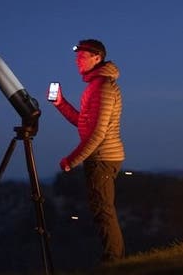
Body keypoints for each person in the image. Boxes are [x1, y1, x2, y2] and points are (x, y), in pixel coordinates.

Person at [50, 39, 126, 263]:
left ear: (97, 58)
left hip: (102, 158)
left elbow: (97, 134)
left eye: (82, 57)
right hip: (102, 156)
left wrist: (70, 160)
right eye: (76, 57)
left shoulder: (102, 87)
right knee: (101, 209)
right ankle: (115, 258)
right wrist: (61, 103)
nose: (77, 61)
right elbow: (84, 122)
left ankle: (114, 260)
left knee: (103, 210)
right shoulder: (96, 86)